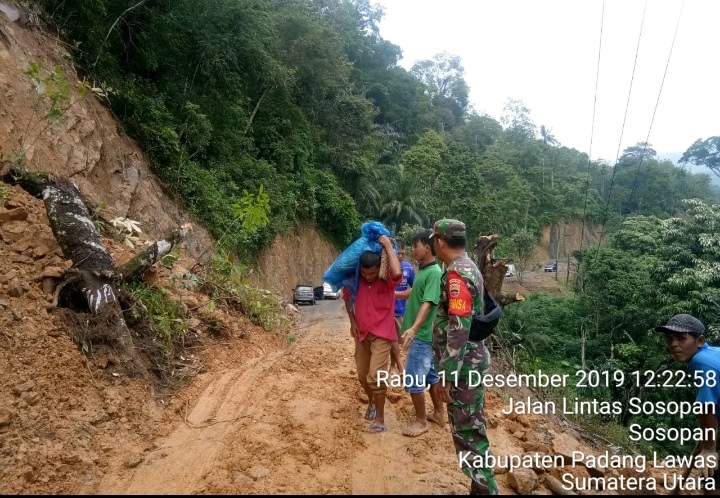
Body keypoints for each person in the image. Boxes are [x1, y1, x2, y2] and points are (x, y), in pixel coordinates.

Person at [431, 219, 498, 495]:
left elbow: (459, 328)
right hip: (468, 363)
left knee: (470, 434)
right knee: (470, 430)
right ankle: (479, 488)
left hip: (463, 368)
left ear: (439, 241)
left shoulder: (457, 275)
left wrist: (447, 375)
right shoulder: (467, 267)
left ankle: (486, 490)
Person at [343, 235, 402, 433]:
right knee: (362, 376)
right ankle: (372, 402)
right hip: (361, 334)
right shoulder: (355, 282)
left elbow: (397, 271)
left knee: (375, 376)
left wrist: (387, 245)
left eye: (373, 273)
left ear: (379, 269)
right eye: (366, 273)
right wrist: (352, 322)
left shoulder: (387, 281)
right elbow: (347, 299)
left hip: (382, 334)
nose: (369, 276)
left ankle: (380, 419)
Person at [656, 314, 720, 494]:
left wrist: (709, 450)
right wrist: (707, 443)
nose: (673, 344)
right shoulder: (714, 353)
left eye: (681, 338)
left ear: (699, 340)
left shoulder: (701, 362)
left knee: (710, 480)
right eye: (669, 339)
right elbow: (711, 415)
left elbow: (706, 406)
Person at [399, 229, 445, 437]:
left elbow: (428, 303)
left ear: (427, 247)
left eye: (415, 246)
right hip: (422, 335)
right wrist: (393, 295)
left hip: (422, 336)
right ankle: (438, 413)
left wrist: (414, 328)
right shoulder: (424, 271)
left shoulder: (434, 273)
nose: (412, 250)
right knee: (432, 377)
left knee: (414, 379)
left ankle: (421, 421)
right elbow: (414, 293)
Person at [391, 242, 415, 373]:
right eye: (397, 253)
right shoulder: (387, 268)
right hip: (387, 311)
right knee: (391, 339)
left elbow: (415, 288)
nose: (399, 256)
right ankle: (397, 366)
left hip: (401, 311)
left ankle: (395, 365)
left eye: (402, 253)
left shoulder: (408, 268)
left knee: (399, 341)